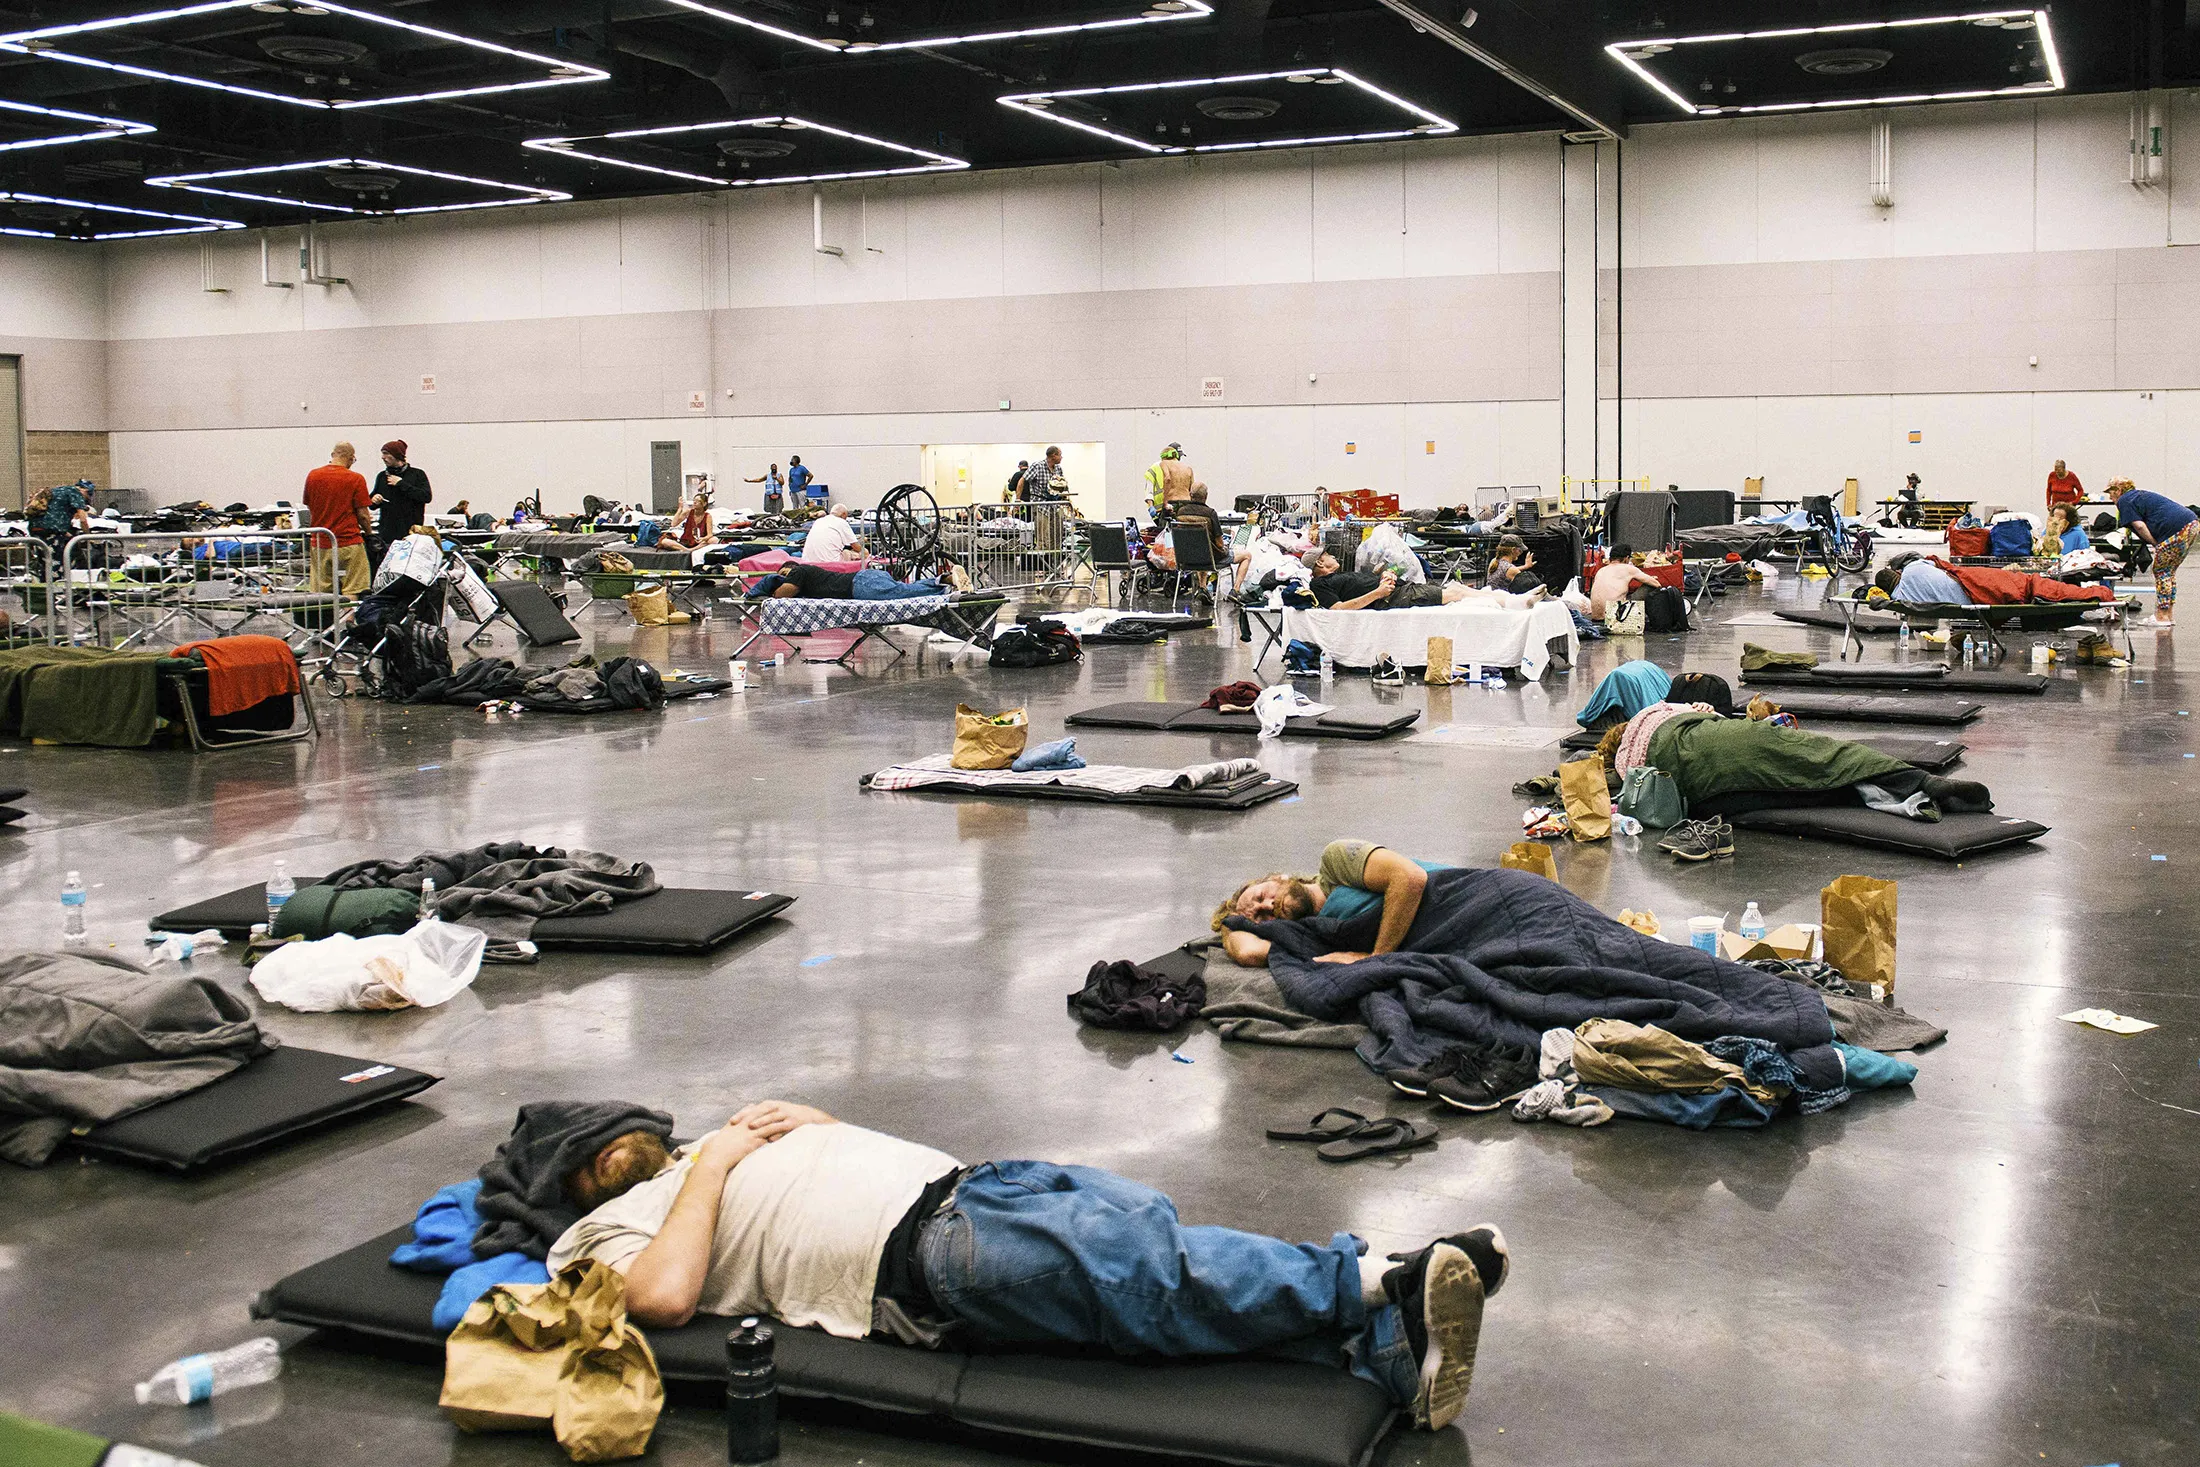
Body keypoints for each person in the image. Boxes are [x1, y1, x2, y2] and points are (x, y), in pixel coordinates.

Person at [545, 1100, 1508, 1433]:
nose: (625, 1145)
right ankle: (1377, 1276)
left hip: (972, 1182)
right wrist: (714, 1161)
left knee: (1157, 1241)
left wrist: (815, 1123)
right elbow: (666, 1297)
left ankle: (1382, 1356)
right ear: (579, 1179)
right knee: (1148, 1276)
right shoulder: (595, 1237)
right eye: (599, 1150)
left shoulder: (696, 1151)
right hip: (919, 1260)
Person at [1214, 840, 1451, 969]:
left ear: (1279, 878)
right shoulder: (1312, 935)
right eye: (1261, 919)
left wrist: (1376, 958)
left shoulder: (1334, 864)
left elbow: (1410, 878)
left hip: (1456, 894)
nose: (1268, 905)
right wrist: (1230, 925)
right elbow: (1247, 952)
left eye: (1261, 895)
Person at [1303, 550, 1540, 611]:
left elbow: (1362, 584)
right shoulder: (1320, 585)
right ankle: (1515, 603)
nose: (1333, 556)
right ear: (1321, 564)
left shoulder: (1339, 576)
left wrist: (1384, 575)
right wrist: (1378, 593)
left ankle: (1514, 599)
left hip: (1399, 589)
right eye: (1328, 555)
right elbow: (1338, 609)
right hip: (1393, 598)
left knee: (1456, 587)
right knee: (1455, 594)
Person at [2113, 477, 2197, 628]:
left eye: (2111, 492)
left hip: (2176, 529)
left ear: (2118, 490)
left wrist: (2155, 543)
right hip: (2191, 523)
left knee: (2161, 571)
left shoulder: (2124, 500)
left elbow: (2139, 526)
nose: (2110, 497)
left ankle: (2162, 616)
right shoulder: (2138, 495)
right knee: (2169, 571)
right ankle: (2168, 614)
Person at [303, 441, 374, 595]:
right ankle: (347, 619)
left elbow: (310, 507)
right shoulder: (355, 479)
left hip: (320, 542)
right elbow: (363, 515)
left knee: (321, 592)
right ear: (350, 458)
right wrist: (369, 534)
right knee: (353, 588)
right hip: (348, 542)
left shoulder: (313, 476)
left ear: (333, 455)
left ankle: (326, 619)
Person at [756, 561, 947, 601]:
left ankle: (942, 584)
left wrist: (772, 590)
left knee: (902, 593)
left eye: (782, 573)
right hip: (864, 579)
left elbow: (783, 593)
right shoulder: (806, 574)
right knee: (902, 590)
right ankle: (943, 581)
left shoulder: (798, 571)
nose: (782, 577)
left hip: (859, 586)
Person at [371, 440, 432, 555]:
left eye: (386, 453)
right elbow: (371, 503)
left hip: (410, 534)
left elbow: (426, 496)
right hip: (387, 534)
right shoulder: (382, 476)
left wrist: (401, 484)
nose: (382, 457)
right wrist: (374, 500)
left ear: (397, 455)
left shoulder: (417, 474)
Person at [1586, 544, 1662, 621]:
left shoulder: (1601, 571)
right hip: (1614, 616)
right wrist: (1651, 579)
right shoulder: (1628, 568)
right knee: (1649, 586)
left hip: (1596, 617)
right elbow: (1657, 584)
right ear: (1626, 558)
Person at [27, 476, 92, 558]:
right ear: (85, 491)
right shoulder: (75, 492)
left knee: (43, 560)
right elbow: (83, 520)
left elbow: (53, 518)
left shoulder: (55, 491)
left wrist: (71, 537)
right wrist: (88, 537)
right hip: (51, 531)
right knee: (55, 560)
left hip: (35, 527)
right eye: (87, 498)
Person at [1144, 443, 1201, 514]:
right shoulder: (1187, 468)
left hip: (1169, 505)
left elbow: (1167, 479)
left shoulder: (1164, 464)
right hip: (1186, 504)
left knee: (1167, 524)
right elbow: (1192, 490)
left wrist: (1164, 503)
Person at [799, 504, 865, 563]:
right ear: (844, 514)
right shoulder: (842, 522)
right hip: (829, 562)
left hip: (807, 560)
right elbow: (855, 546)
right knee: (853, 553)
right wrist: (865, 551)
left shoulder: (819, 521)